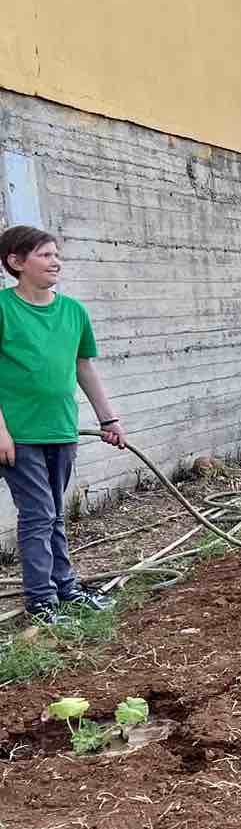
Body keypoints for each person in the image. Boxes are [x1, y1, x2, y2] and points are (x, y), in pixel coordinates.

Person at [0, 225, 127, 622]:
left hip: (61, 429)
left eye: (57, 254)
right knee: (38, 514)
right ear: (16, 263)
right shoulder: (3, 309)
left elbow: (83, 366)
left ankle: (66, 589)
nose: (56, 262)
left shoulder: (73, 312)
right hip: (18, 435)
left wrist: (110, 419)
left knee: (54, 512)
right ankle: (41, 602)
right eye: (45, 255)